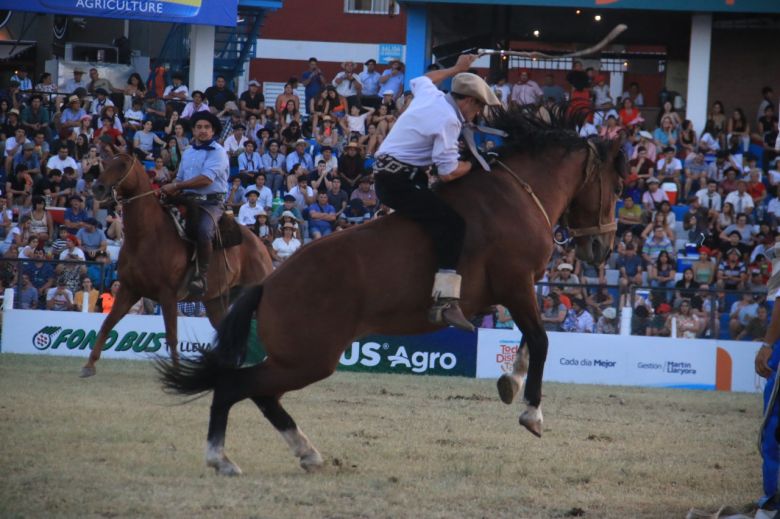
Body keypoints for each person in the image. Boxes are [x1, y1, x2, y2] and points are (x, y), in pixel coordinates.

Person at [373, 54, 500, 332]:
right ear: (468, 101)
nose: (477, 113)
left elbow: (421, 80)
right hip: (400, 182)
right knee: (453, 224)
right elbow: (448, 172)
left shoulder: (433, 95)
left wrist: (457, 68)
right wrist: (477, 162)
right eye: (478, 106)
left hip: (395, 175)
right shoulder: (448, 120)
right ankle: (445, 301)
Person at [161, 111, 229, 296]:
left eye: (207, 127)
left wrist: (176, 185)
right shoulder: (189, 152)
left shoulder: (219, 152)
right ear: (193, 130)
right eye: (199, 127)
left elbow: (206, 180)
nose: (203, 131)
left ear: (213, 130)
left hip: (211, 203)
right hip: (186, 199)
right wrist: (168, 188)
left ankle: (201, 276)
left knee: (204, 231)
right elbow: (181, 177)